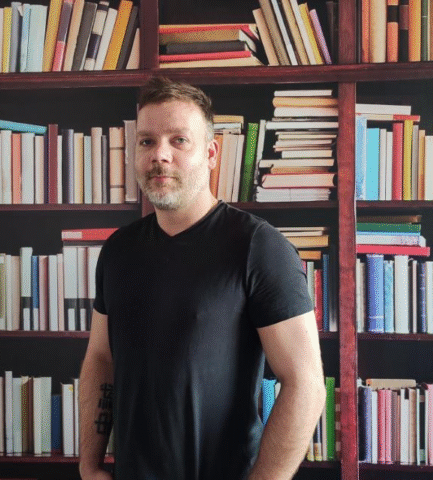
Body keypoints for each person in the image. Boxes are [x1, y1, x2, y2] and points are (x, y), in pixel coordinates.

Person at [79, 76, 326, 480]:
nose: (160, 155)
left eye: (179, 140)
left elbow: (306, 383)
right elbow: (101, 360)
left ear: (211, 153)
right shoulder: (118, 250)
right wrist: (89, 465)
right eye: (146, 141)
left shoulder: (258, 247)